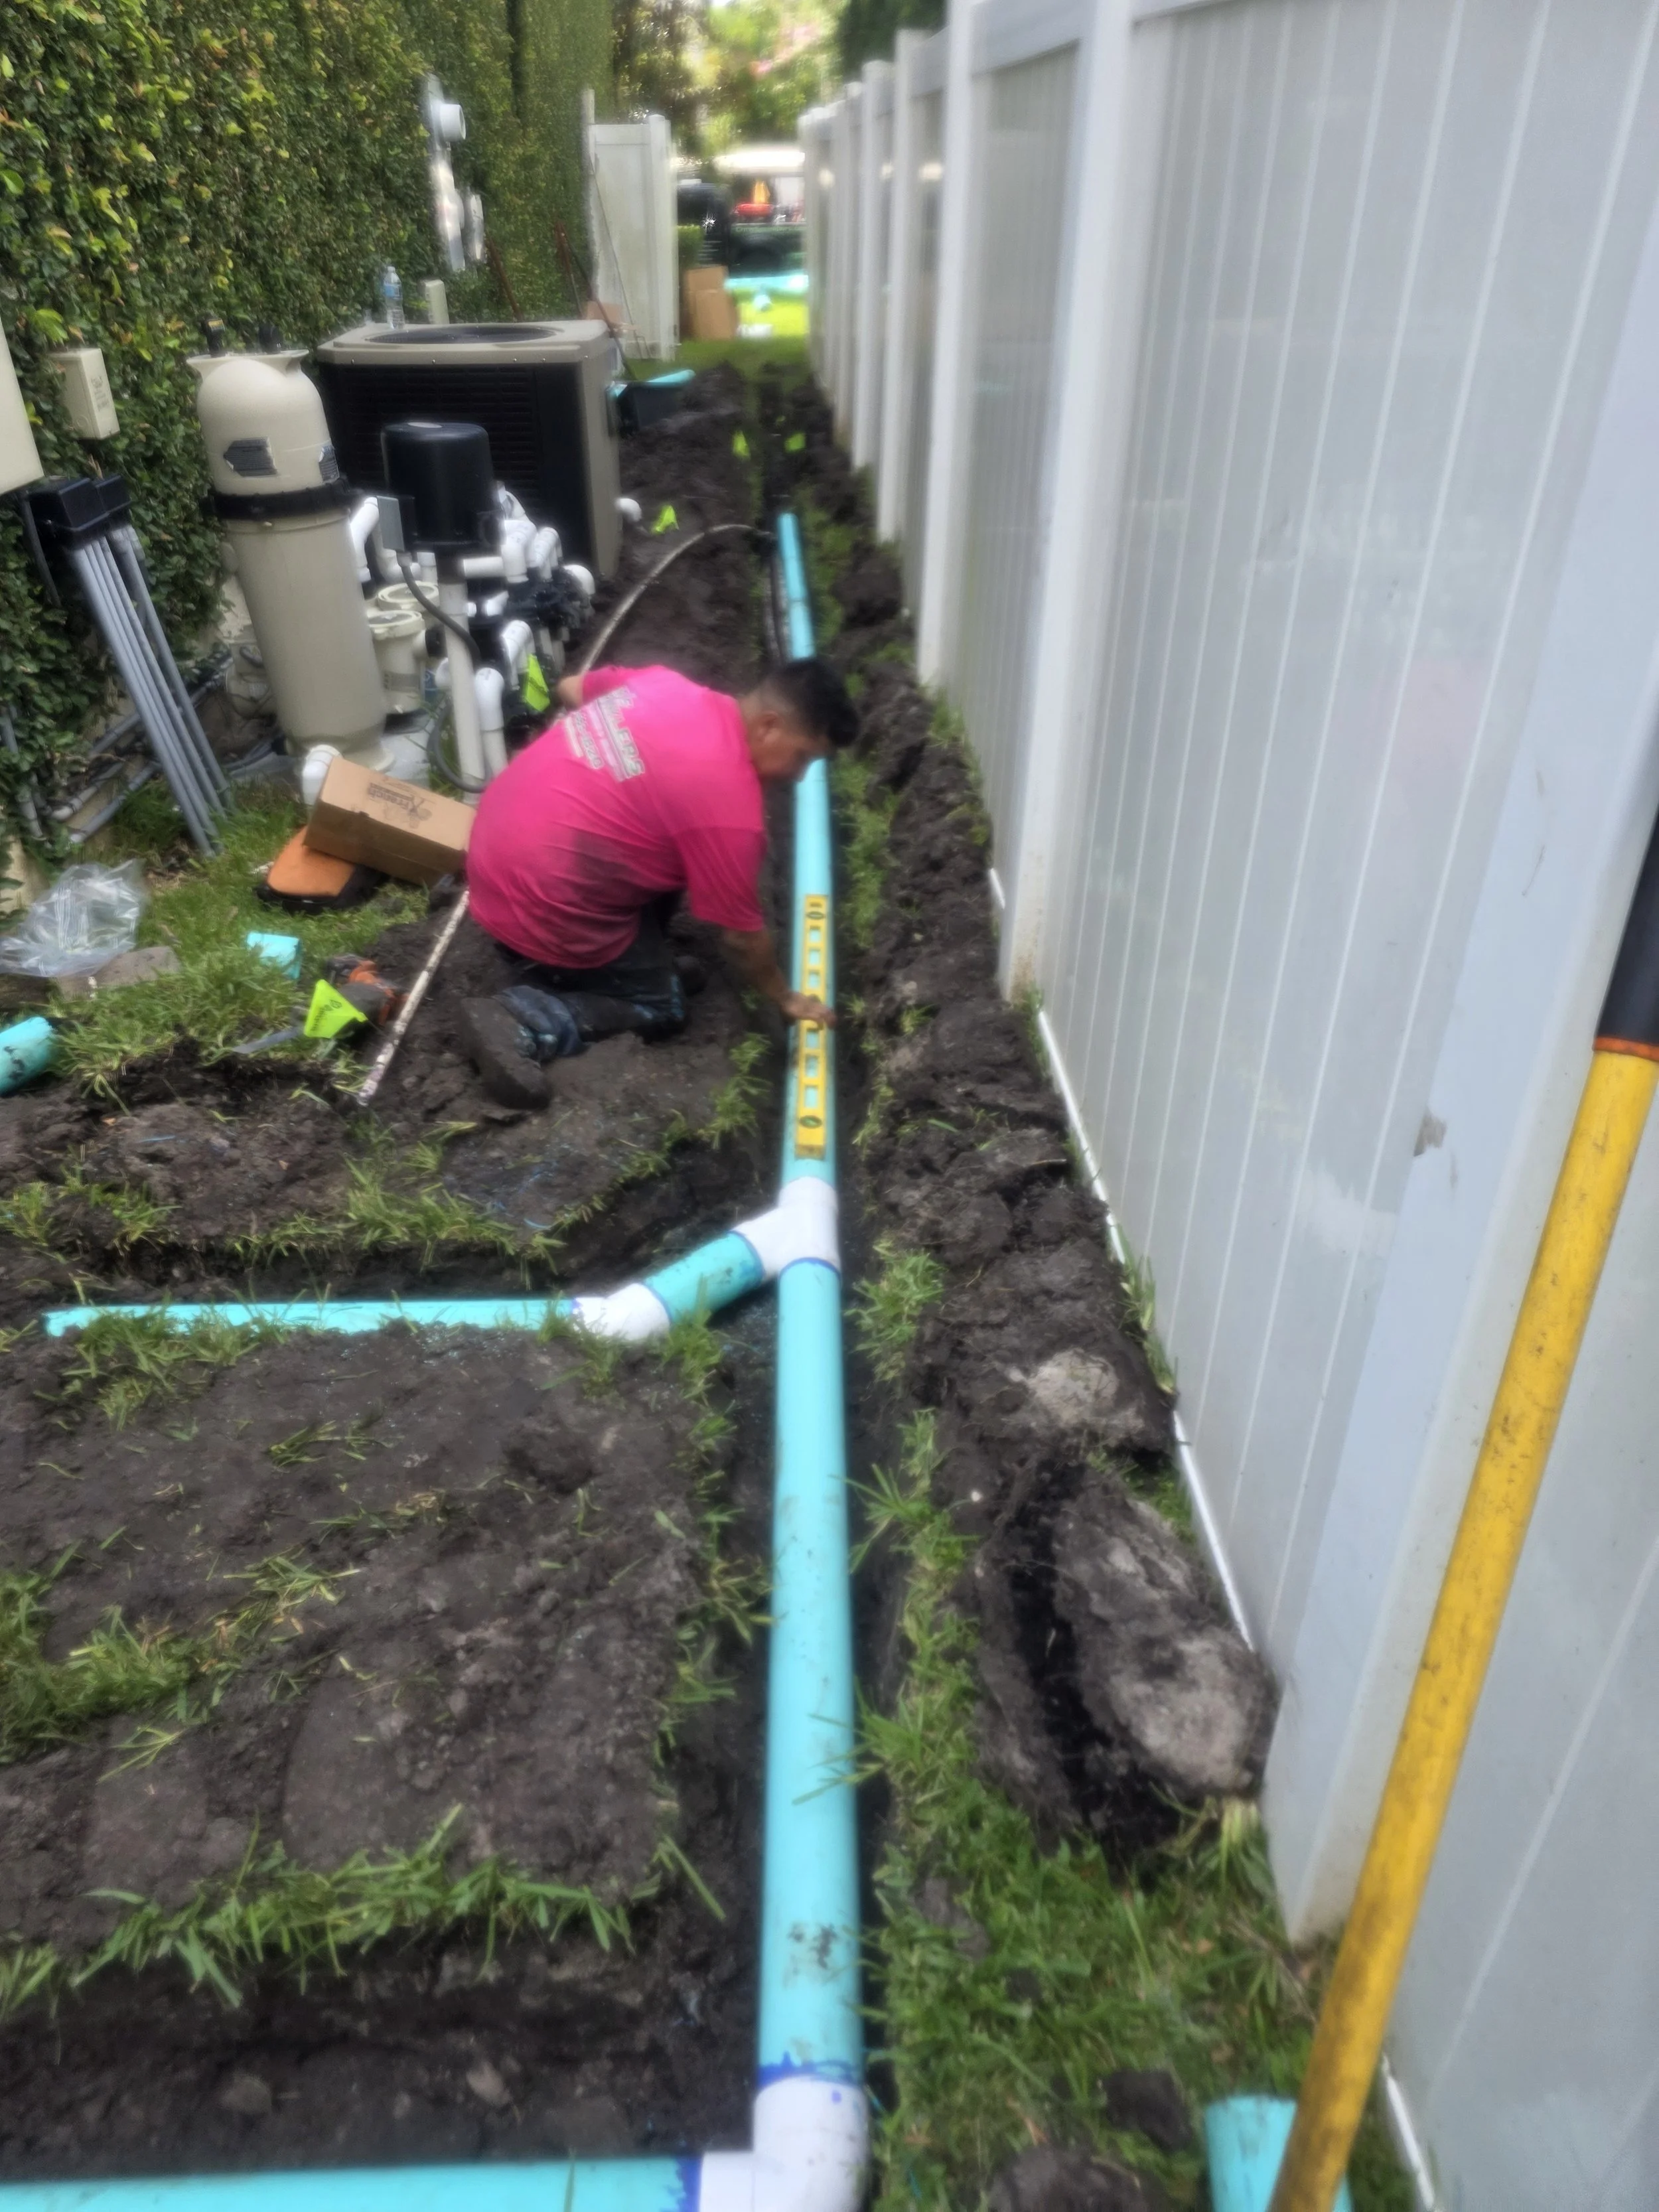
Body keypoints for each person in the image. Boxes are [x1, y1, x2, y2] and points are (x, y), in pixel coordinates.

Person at [458, 655, 859, 1107]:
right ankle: (526, 1019)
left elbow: (571, 687)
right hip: (537, 900)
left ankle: (626, 967)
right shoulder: (730, 813)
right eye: (803, 757)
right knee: (664, 1008)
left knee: (664, 839)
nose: (800, 775)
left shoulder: (665, 686)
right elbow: (742, 941)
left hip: (490, 850)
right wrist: (785, 998)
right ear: (768, 726)